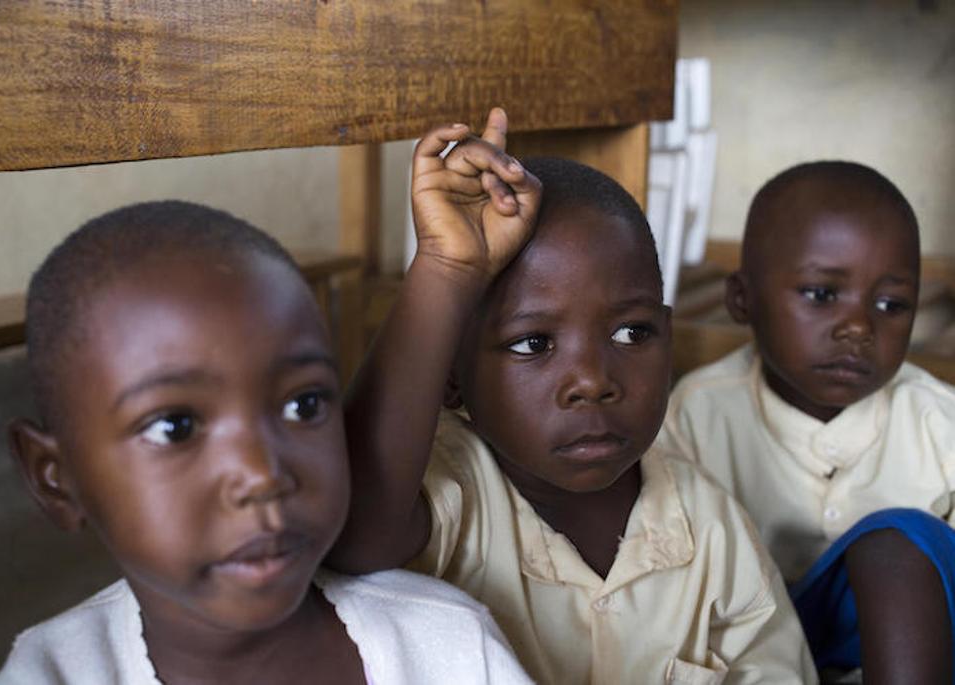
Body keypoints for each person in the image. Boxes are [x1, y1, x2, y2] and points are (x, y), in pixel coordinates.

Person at [328, 109, 816, 684]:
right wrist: (444, 266)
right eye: (534, 343)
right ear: (451, 377)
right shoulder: (452, 492)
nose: (592, 380)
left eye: (631, 334)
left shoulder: (711, 528)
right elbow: (352, 536)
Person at [0, 201, 533, 684]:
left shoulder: (448, 650)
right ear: (55, 476)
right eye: (175, 428)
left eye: (303, 406)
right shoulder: (49, 673)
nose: (262, 473)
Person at [661, 160, 955, 681]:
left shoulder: (938, 419)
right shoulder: (698, 414)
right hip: (756, 647)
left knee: (895, 547)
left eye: (892, 304)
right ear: (742, 300)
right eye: (822, 295)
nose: (860, 327)